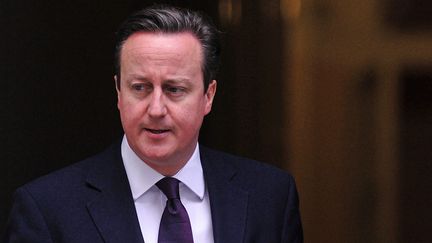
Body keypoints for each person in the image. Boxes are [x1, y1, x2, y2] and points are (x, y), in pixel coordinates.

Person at [4, 4, 303, 243]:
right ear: (119, 92)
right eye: (140, 87)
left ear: (208, 96)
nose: (156, 109)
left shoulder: (271, 197)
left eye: (174, 89)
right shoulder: (47, 209)